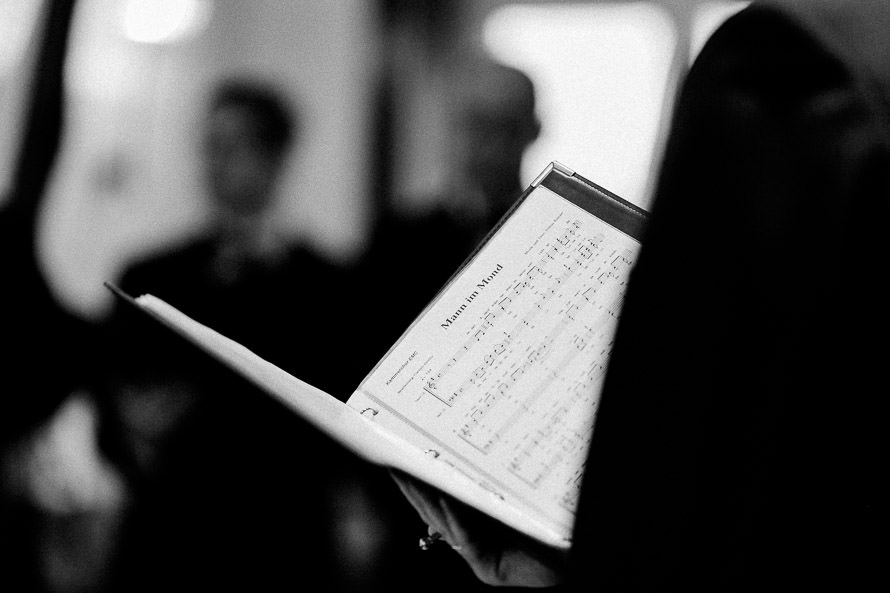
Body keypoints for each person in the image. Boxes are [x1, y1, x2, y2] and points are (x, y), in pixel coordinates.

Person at [393, 0, 886, 589]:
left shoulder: (778, 62)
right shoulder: (398, 240)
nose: (485, 145)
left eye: (501, 126)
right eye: (472, 124)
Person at [98, 78, 373, 591]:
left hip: (283, 540)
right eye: (208, 145)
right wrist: (133, 421)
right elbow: (112, 401)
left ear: (277, 156)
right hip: (169, 534)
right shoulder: (150, 274)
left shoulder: (330, 287)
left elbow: (343, 417)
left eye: (232, 145)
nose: (214, 162)